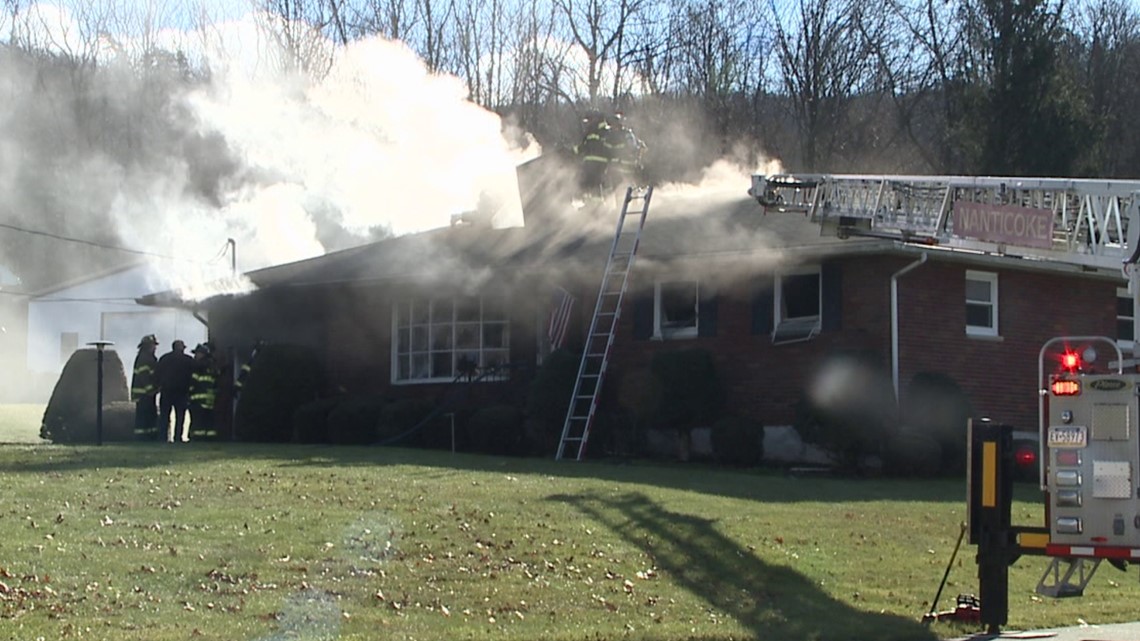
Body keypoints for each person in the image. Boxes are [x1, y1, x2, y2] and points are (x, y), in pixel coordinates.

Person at [156, 339, 194, 443]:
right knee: (180, 417)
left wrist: (159, 386)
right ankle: (178, 438)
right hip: (182, 393)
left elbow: (157, 374)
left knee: (164, 416)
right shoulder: (188, 360)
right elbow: (192, 376)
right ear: (182, 348)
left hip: (166, 392)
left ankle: (162, 438)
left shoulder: (164, 359)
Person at [575, 112, 612, 197]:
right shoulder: (606, 131)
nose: (587, 123)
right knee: (595, 184)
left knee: (590, 184)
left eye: (588, 121)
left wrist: (574, 151)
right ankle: (594, 204)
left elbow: (585, 146)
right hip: (600, 163)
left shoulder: (592, 131)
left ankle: (594, 206)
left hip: (592, 163)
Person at [131, 334, 160, 437]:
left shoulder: (149, 358)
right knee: (143, 417)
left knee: (150, 416)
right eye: (153, 345)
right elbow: (144, 377)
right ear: (147, 346)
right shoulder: (144, 358)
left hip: (148, 394)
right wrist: (151, 390)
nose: (155, 347)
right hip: (143, 394)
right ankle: (142, 437)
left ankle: (150, 436)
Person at [188, 343, 218, 438]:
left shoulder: (198, 366)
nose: (195, 356)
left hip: (198, 398)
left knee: (198, 420)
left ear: (202, 354)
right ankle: (209, 437)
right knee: (208, 419)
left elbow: (194, 380)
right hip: (209, 398)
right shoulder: (212, 366)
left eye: (197, 353)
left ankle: (197, 437)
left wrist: (189, 390)